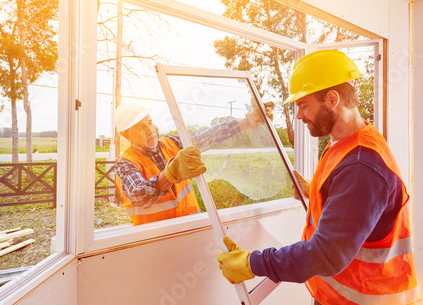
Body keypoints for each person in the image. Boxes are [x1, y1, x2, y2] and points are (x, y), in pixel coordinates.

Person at [217, 50, 420, 304]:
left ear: (332, 98)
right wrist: (314, 189)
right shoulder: (346, 143)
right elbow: (354, 204)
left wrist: (252, 263)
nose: (299, 115)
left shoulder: (361, 165)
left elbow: (326, 254)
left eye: (303, 105)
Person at [114, 100, 273, 226]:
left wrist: (249, 121)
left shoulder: (173, 143)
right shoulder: (125, 163)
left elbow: (210, 135)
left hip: (192, 227)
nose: (150, 130)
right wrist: (170, 175)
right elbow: (138, 195)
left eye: (149, 122)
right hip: (157, 240)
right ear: (125, 135)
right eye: (141, 127)